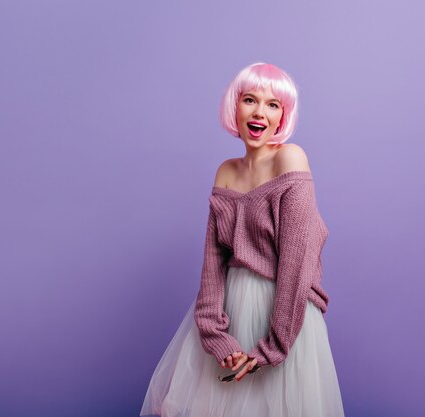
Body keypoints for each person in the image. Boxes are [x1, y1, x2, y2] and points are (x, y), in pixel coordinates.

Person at [140, 62, 345, 417]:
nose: (259, 112)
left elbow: (297, 262)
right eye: (250, 99)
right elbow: (213, 264)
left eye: (273, 104)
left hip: (283, 313)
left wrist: (274, 346)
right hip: (232, 310)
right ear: (234, 106)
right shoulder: (226, 170)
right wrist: (215, 335)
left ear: (283, 115)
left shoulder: (290, 158)